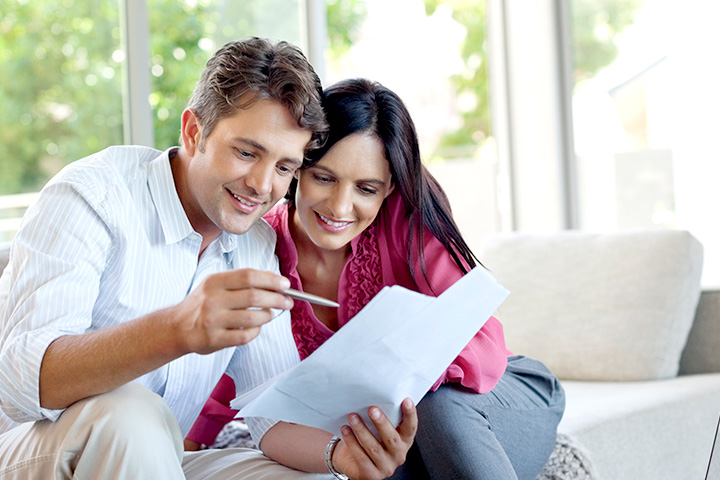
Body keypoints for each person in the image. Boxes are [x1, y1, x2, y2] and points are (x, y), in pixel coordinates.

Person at [0, 39, 418, 480]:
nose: (262, 185)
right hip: (36, 453)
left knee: (308, 475)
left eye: (284, 167)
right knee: (129, 415)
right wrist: (177, 329)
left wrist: (339, 453)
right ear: (194, 132)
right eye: (247, 152)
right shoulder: (93, 196)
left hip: (155, 464)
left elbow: (269, 410)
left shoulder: (256, 244)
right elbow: (21, 383)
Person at [188, 78, 566, 480]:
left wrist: (393, 379)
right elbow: (238, 368)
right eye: (324, 178)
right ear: (299, 167)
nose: (340, 206)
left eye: (366, 188)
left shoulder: (409, 219)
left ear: (388, 189)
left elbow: (482, 348)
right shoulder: (259, 247)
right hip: (388, 431)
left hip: (492, 399)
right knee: (365, 458)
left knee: (432, 406)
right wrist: (184, 447)